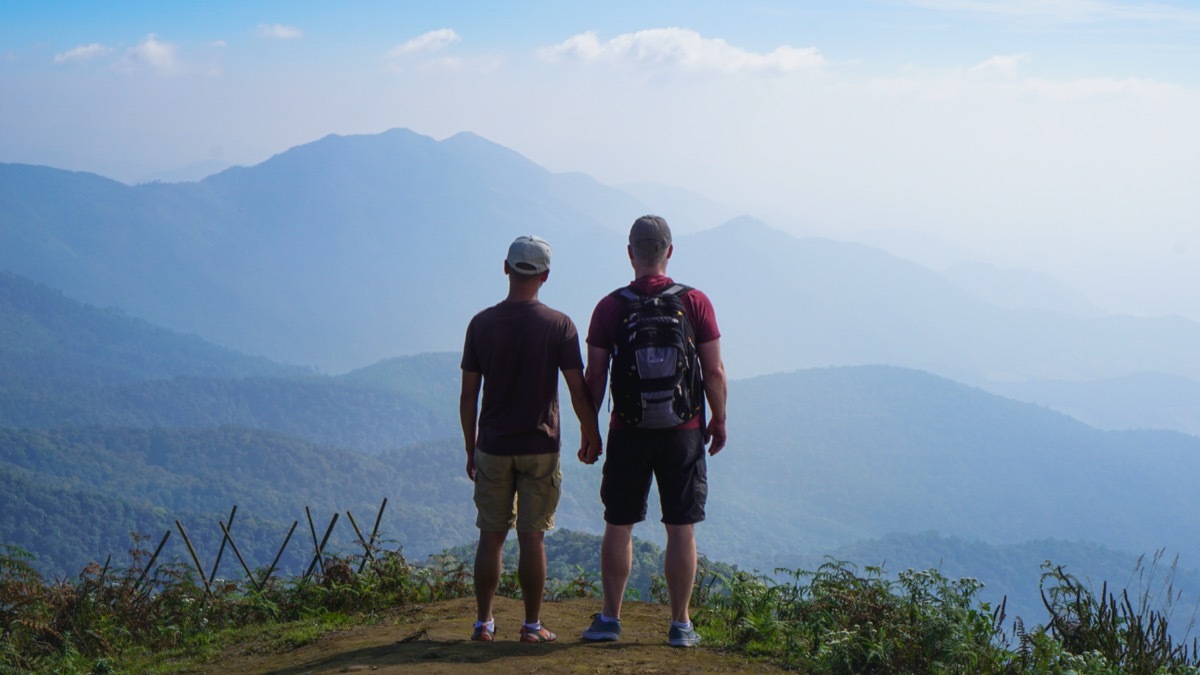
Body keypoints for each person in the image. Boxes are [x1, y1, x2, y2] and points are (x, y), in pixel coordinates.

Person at [579, 215, 728, 648]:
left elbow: (595, 378)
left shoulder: (610, 306)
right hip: (684, 429)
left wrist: (591, 433)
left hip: (628, 428)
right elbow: (714, 371)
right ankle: (680, 625)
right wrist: (718, 419)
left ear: (630, 253)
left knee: (618, 522)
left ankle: (609, 619)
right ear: (669, 251)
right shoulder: (695, 301)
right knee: (681, 527)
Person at [460, 235, 602, 644]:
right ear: (545, 276)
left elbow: (469, 395)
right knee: (532, 536)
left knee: (491, 536)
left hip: (493, 445)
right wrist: (591, 436)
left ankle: (484, 623)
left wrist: (471, 447)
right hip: (541, 447)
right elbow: (578, 390)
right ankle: (531, 625)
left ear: (506, 268)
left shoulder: (481, 324)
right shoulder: (559, 325)